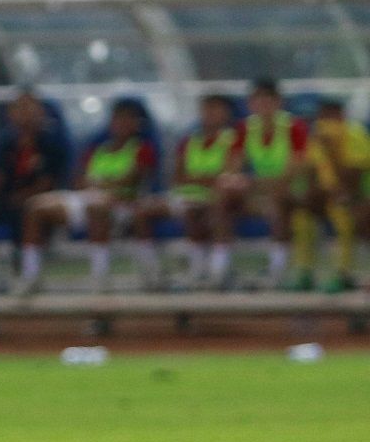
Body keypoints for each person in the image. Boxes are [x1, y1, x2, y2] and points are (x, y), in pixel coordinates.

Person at [17, 98, 159, 293]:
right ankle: (30, 276)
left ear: (136, 124)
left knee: (97, 206)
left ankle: (100, 276)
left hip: (122, 206)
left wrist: (98, 184)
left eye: (127, 120)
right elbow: (78, 180)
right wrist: (101, 184)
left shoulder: (142, 149)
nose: (121, 125)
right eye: (118, 120)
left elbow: (130, 181)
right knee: (35, 206)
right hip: (86, 199)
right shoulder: (97, 149)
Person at [139, 94, 241, 290]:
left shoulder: (233, 140)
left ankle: (214, 272)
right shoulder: (189, 140)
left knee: (206, 211)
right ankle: (151, 275)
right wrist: (205, 178)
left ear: (226, 113)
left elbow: (228, 174)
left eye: (215, 109)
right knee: (143, 211)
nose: (209, 114)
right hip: (185, 195)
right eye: (206, 109)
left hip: (214, 199)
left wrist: (197, 178)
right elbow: (177, 177)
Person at [232, 79, 312, 289]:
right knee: (224, 198)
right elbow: (233, 167)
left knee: (278, 200)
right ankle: (217, 267)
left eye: (268, 100)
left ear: (279, 102)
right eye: (258, 101)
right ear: (250, 104)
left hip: (293, 192)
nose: (263, 106)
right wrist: (245, 184)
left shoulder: (294, 127)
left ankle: (277, 270)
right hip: (261, 193)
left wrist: (258, 185)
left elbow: (296, 168)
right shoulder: (245, 128)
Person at [0, 90, 69, 247]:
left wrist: (22, 198)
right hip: (7, 199)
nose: (24, 114)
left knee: (29, 210)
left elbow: (48, 182)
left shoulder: (51, 143)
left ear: (40, 112)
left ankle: (29, 257)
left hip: (40, 199)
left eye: (28, 108)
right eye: (19, 108)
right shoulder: (5, 144)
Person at [304, 99, 366, 291]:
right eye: (323, 117)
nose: (327, 123)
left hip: (360, 196)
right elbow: (313, 174)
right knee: (303, 214)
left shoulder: (355, 135)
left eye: (332, 116)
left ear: (341, 117)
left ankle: (342, 273)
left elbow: (353, 180)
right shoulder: (317, 139)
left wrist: (331, 150)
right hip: (332, 195)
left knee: (344, 215)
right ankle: (304, 272)